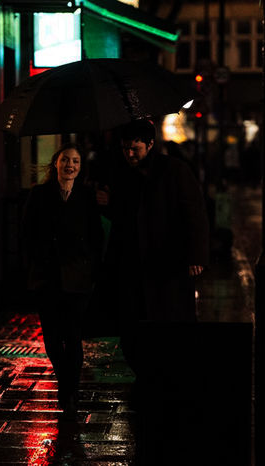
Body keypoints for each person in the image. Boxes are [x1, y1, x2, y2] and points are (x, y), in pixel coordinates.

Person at [98, 119, 210, 378]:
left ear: (150, 145)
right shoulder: (122, 173)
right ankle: (145, 370)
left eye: (135, 149)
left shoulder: (174, 170)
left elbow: (194, 213)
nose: (129, 154)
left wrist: (196, 256)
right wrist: (107, 203)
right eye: (125, 148)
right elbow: (125, 216)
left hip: (167, 260)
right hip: (133, 261)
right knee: (132, 321)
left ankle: (168, 370)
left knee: (169, 317)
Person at [22, 143, 103, 420]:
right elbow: (27, 234)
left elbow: (95, 237)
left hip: (78, 278)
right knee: (53, 340)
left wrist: (92, 269)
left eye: (76, 162)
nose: (70, 165)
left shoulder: (87, 196)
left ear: (80, 168)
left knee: (73, 336)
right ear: (55, 163)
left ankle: (71, 390)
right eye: (66, 160)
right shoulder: (39, 194)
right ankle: (66, 383)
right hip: (47, 278)